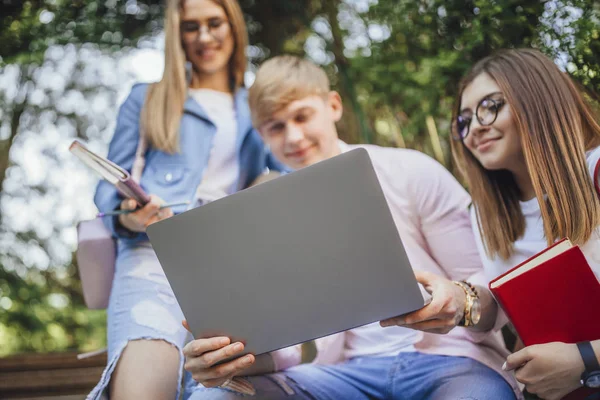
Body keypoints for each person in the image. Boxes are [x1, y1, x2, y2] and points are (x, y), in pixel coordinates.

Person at [182, 55, 521, 400]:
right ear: (261, 136)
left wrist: (460, 300)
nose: (293, 137)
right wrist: (232, 360)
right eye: (276, 127)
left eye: (302, 116)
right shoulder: (265, 218)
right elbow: (298, 348)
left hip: (450, 362)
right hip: (343, 375)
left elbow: (487, 284)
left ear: (333, 106)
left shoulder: (410, 171)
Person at [87, 1, 284, 399]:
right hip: (152, 254)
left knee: (220, 387)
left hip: (228, 269)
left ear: (234, 27)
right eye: (191, 27)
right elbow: (108, 186)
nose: (205, 37)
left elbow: (294, 168)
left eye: (215, 24)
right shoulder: (147, 98)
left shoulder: (255, 106)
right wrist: (128, 216)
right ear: (178, 35)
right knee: (144, 389)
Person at [395, 48, 600, 400]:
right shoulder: (485, 214)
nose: (475, 127)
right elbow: (500, 308)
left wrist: (586, 359)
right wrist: (458, 302)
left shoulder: (596, 173)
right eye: (463, 121)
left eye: (490, 106)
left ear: (537, 97)